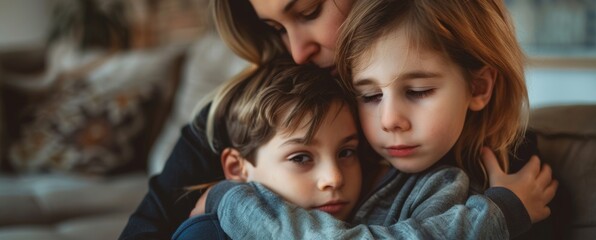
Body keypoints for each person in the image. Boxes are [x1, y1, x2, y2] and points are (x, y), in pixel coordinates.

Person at [119, 0, 556, 238]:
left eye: (308, 13)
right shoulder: (237, 116)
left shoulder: (487, 159)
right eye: (275, 29)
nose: (295, 52)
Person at [171, 55, 365, 239]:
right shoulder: (206, 234)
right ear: (237, 168)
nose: (334, 178)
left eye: (345, 152)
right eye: (300, 158)